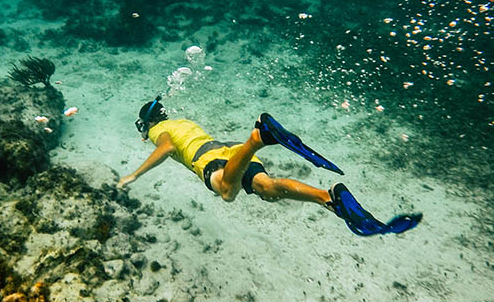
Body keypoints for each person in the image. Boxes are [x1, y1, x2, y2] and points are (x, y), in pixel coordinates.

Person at [118, 98, 422, 236]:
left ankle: (258, 137)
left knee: (226, 192)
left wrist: (134, 174)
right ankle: (328, 197)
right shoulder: (179, 121)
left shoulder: (160, 131)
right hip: (229, 151)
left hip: (210, 158)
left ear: (148, 123)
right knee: (266, 188)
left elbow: (168, 147)